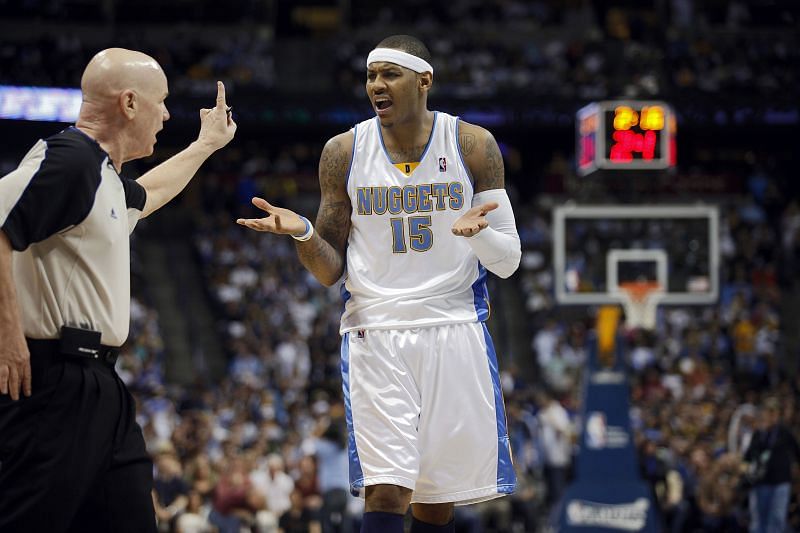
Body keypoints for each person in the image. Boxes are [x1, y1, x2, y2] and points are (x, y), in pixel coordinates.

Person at [238, 34, 520, 533]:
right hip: (376, 330)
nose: (377, 85)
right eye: (372, 76)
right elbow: (328, 270)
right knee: (386, 488)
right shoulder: (343, 151)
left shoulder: (472, 145)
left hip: (453, 324)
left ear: (424, 80)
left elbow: (508, 262)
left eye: (390, 74)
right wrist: (302, 232)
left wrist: (480, 238)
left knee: (437, 498)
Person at [0, 48, 236, 532]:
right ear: (130, 103)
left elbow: (148, 197)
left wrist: (206, 144)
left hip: (99, 386)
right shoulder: (68, 161)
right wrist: (7, 337)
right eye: (162, 101)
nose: (167, 114)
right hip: (51, 383)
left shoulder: (102, 175)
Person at [743, 397, 800, 533]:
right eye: (769, 412)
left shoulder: (785, 433)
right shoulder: (758, 434)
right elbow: (747, 458)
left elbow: (798, 454)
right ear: (764, 413)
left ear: (778, 414)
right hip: (760, 483)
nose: (771, 415)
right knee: (758, 522)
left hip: (781, 483)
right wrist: (747, 473)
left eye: (774, 412)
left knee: (777, 519)